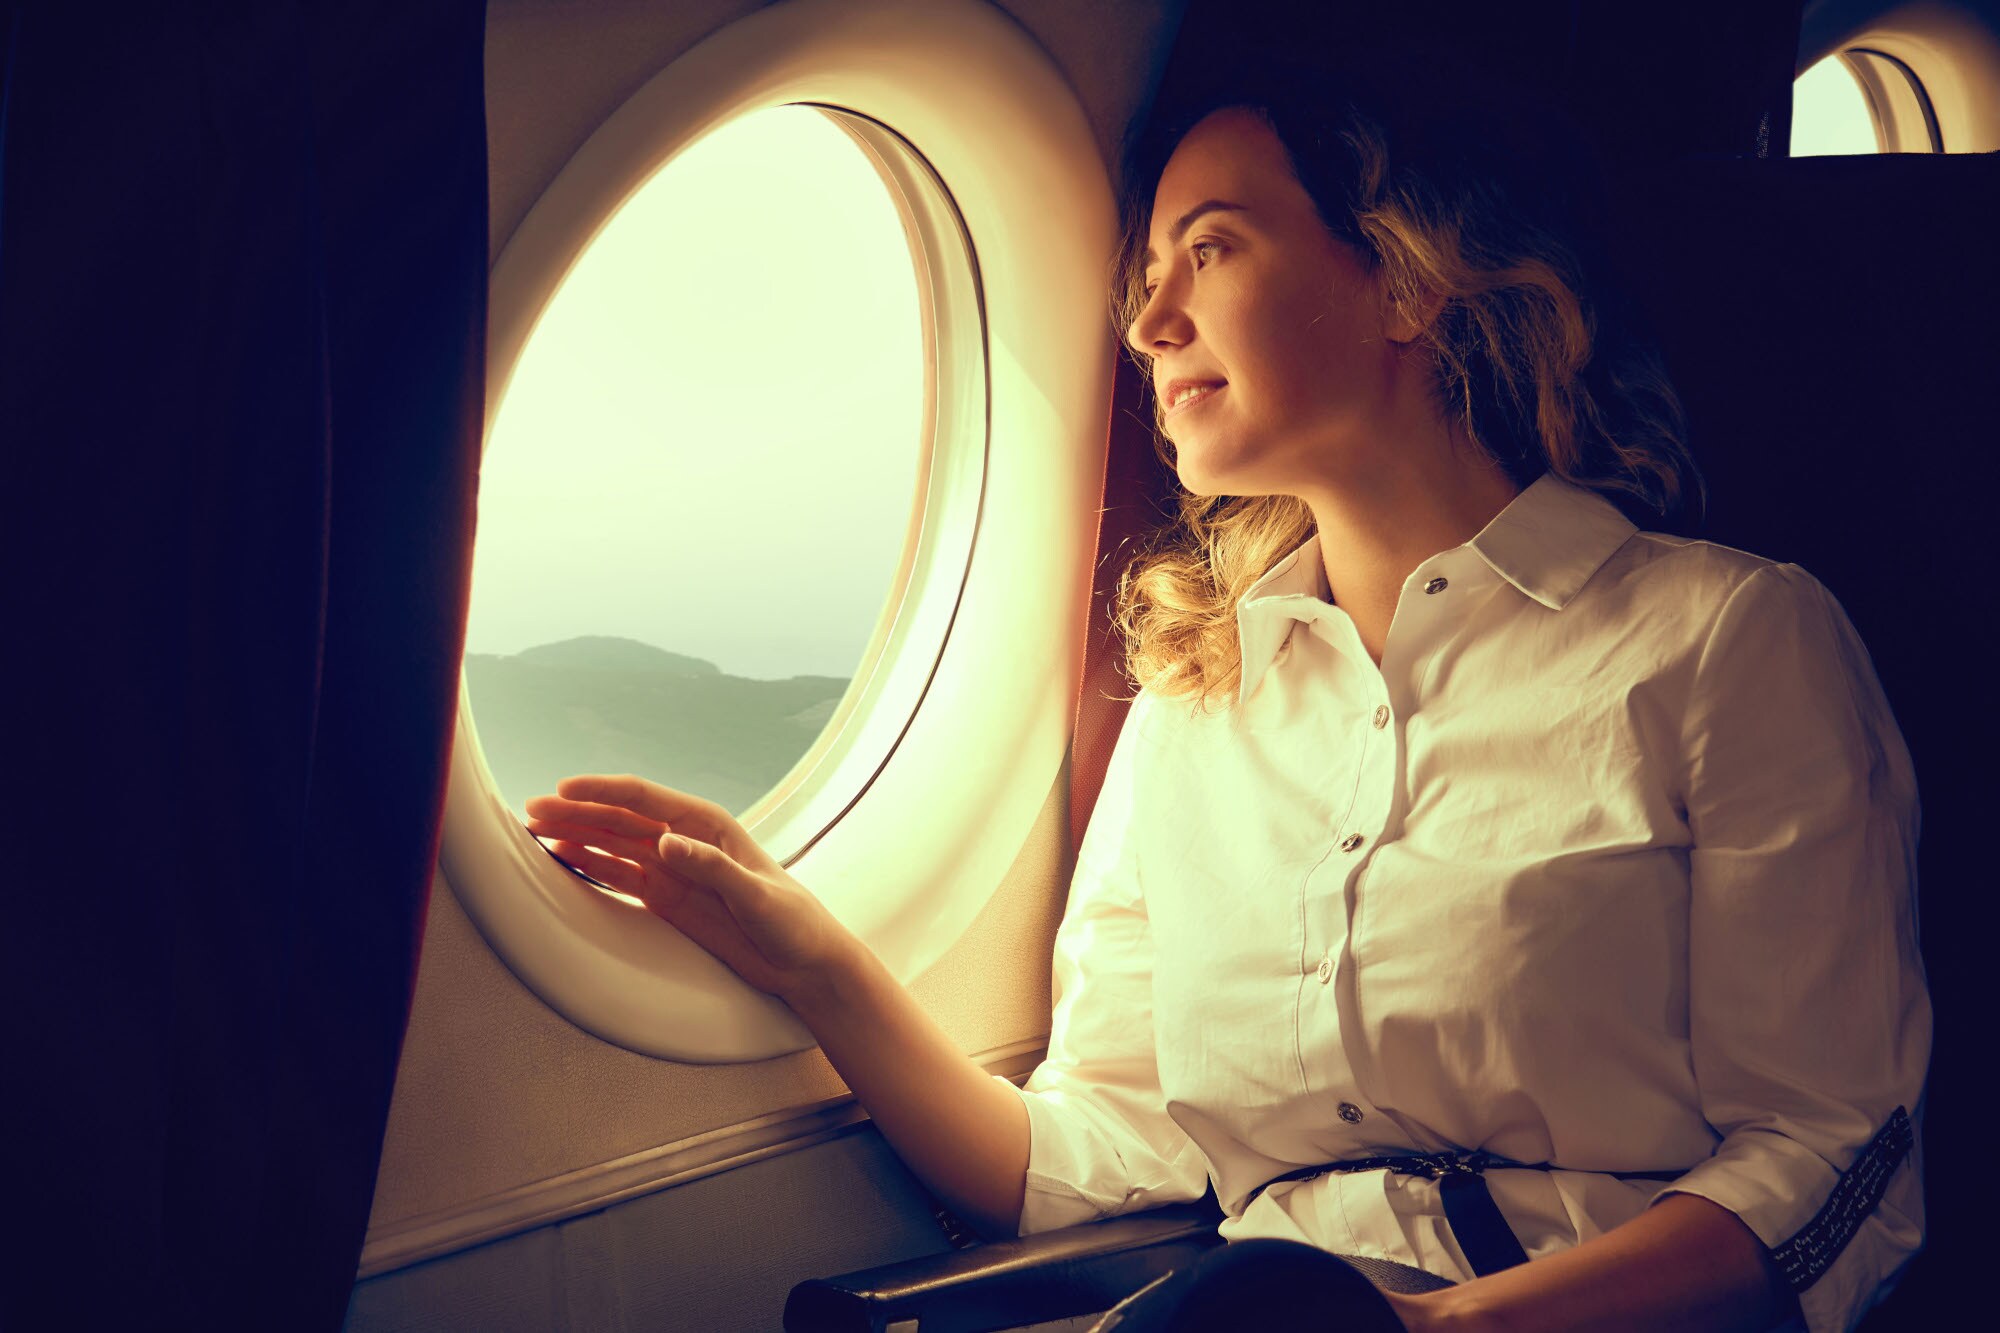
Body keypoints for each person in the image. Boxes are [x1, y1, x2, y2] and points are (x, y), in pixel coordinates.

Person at [522, 59, 1928, 1333]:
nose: (1146, 318)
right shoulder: (1200, 703)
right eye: (1147, 267)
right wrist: (808, 958)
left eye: (1211, 247)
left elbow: (1830, 1159)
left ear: (1404, 279)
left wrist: (1446, 1332)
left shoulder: (1727, 643)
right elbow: (1099, 1157)